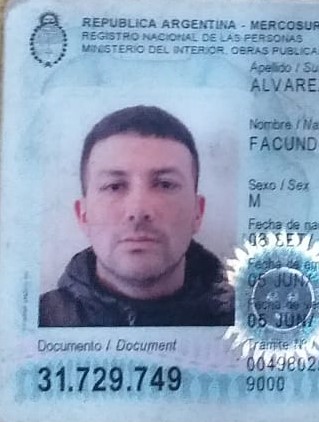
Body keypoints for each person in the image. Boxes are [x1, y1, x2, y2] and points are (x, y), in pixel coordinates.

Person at [39, 105, 234, 327]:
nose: (138, 211)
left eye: (165, 184)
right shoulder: (34, 322)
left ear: (197, 213)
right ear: (83, 215)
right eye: (114, 186)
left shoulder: (248, 325)